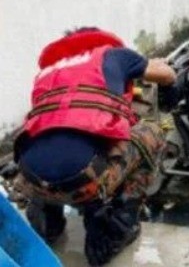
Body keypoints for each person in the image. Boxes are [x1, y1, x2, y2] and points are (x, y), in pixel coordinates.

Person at [13, 27, 176, 266]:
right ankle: (115, 224)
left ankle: (48, 219)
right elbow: (166, 74)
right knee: (152, 131)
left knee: (52, 138)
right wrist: (168, 81)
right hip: (85, 182)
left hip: (29, 179)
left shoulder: (48, 72)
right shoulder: (114, 55)